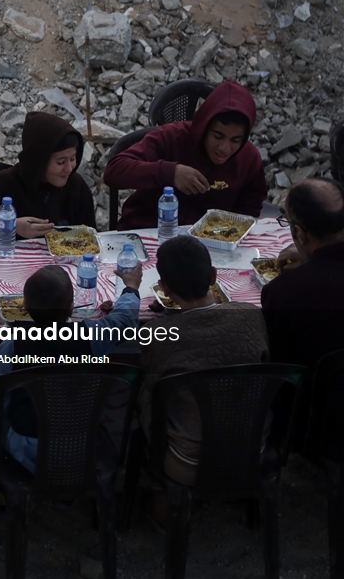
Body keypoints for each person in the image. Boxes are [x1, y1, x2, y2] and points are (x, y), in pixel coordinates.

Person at [0, 262, 143, 472]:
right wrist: (131, 288)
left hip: (27, 448)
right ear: (70, 307)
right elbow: (124, 319)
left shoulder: (11, 347)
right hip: (82, 444)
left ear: (26, 308)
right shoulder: (91, 336)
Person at [138, 236, 269, 487]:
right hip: (253, 450)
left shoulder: (156, 335)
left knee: (139, 391)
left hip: (187, 463)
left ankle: (158, 497)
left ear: (164, 289)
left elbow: (152, 389)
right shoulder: (252, 315)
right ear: (213, 277)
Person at [103, 80, 267, 230]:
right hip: (149, 231)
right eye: (217, 136)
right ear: (204, 127)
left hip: (211, 240)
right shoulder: (172, 137)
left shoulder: (248, 158)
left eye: (235, 140)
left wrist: (229, 230)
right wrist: (170, 173)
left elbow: (251, 206)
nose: (224, 148)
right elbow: (114, 171)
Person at [262, 179, 344, 458]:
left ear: (299, 233)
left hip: (314, 421)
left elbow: (276, 364)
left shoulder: (284, 292)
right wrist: (312, 258)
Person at [0, 112, 96, 243]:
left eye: (72, 158)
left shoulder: (76, 186)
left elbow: (90, 236)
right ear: (39, 160)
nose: (69, 168)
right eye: (60, 162)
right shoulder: (5, 184)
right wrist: (11, 226)